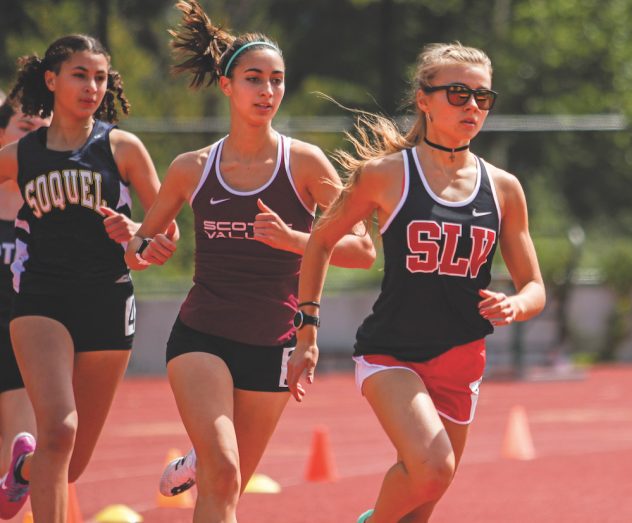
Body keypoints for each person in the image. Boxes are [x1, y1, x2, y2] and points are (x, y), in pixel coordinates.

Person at [123, 2, 375, 522]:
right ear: (227, 85)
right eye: (254, 78)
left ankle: (204, 452)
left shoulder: (304, 163)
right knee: (224, 473)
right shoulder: (190, 167)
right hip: (202, 335)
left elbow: (362, 252)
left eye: (277, 81)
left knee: (226, 488)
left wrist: (292, 240)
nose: (267, 91)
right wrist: (146, 248)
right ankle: (208, 451)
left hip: (273, 342)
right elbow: (139, 248)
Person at [288, 43, 546, 523]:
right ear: (423, 100)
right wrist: (307, 330)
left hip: (463, 357)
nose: (472, 106)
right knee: (432, 467)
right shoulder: (384, 176)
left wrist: (517, 304)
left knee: (423, 503)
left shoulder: (504, 187)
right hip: (392, 351)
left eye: (482, 97)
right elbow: (320, 243)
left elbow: (535, 286)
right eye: (457, 93)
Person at [0, 35, 171, 521]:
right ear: (51, 80)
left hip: (108, 303)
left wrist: (138, 231)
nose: (91, 86)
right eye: (79, 74)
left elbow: (164, 237)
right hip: (41, 301)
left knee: (68, 464)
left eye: (99, 77)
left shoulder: (122, 147)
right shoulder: (22, 154)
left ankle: (23, 469)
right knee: (60, 431)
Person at [0, 100, 49, 520]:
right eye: (24, 126)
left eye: (41, 129)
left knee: (20, 445)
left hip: (23, 341)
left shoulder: (52, 205)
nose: (32, 137)